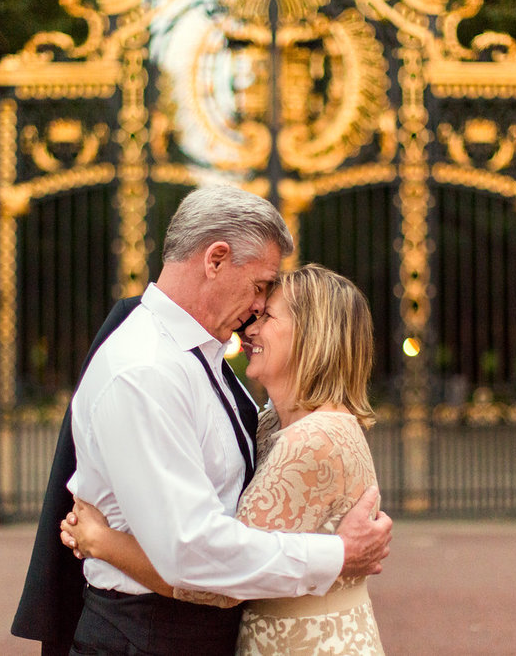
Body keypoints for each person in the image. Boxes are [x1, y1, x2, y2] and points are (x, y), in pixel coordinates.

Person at [56, 187, 392, 655]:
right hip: (150, 634)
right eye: (259, 287)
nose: (256, 310)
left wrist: (103, 540)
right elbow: (191, 552)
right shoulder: (147, 370)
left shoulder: (201, 359)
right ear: (215, 259)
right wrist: (337, 555)